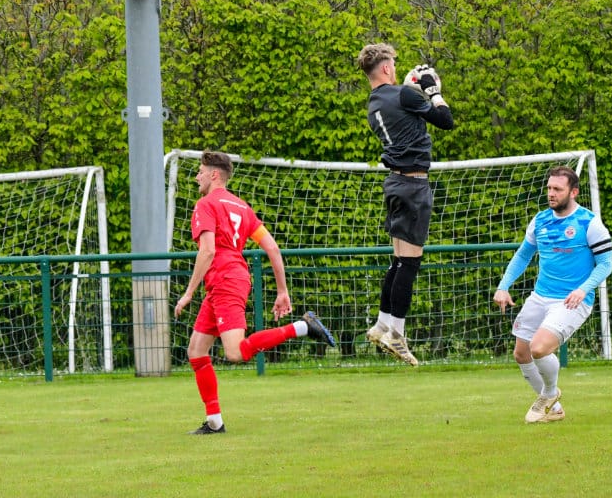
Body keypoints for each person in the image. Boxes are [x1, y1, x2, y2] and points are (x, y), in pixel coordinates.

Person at [174, 150, 336, 434]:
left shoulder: (205, 205)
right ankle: (214, 422)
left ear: (214, 175)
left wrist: (188, 293)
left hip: (225, 280)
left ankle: (301, 327)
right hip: (227, 280)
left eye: (200, 171)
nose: (197, 176)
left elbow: (208, 251)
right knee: (196, 351)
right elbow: (272, 247)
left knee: (235, 352)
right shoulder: (242, 207)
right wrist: (282, 290)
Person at [356, 43, 455, 367]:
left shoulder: (374, 103)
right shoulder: (403, 95)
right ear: (386, 68)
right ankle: (397, 334)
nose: (396, 69)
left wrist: (414, 91)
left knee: (398, 262)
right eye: (393, 65)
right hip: (413, 186)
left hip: (396, 185)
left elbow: (405, 111)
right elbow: (446, 120)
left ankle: (382, 323)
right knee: (409, 264)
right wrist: (433, 91)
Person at [493, 166, 612, 423]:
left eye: (557, 189)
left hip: (572, 301)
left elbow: (605, 265)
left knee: (538, 348)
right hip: (540, 296)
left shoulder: (589, 223)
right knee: (521, 354)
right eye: (549, 188)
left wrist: (583, 289)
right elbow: (523, 255)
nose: (551, 193)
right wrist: (503, 286)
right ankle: (555, 410)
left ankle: (549, 394)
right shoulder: (540, 220)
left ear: (574, 192)